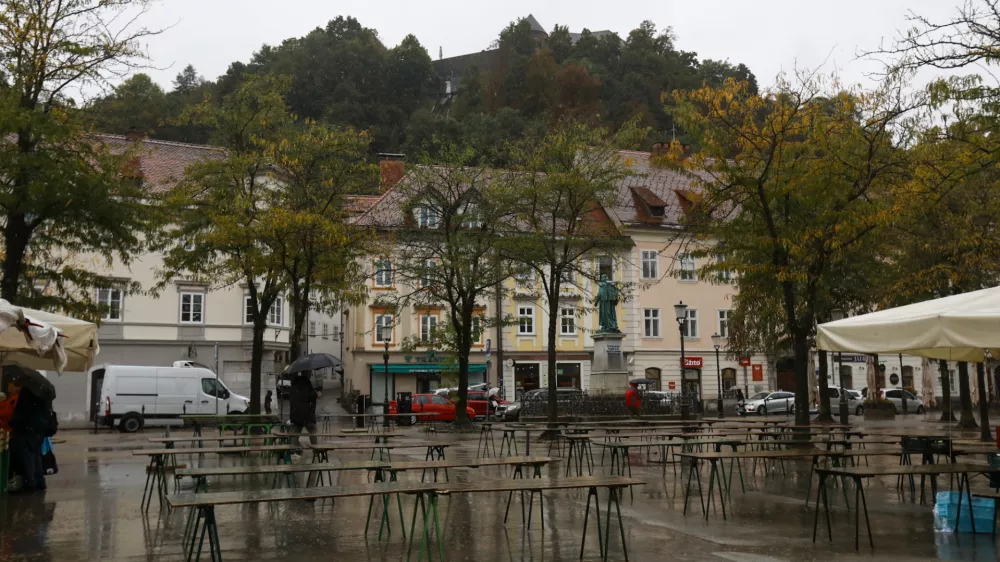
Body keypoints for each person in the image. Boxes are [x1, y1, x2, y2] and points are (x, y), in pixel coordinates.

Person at [9, 376, 50, 493]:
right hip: (38, 432)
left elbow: (21, 416)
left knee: (28, 459)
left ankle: (29, 485)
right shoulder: (40, 396)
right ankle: (40, 483)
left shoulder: (26, 397)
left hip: (26, 432)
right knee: (36, 457)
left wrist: (12, 423)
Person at [288, 372, 318, 446]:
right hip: (306, 414)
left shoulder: (294, 385)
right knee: (312, 430)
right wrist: (316, 394)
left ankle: (293, 451)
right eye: (310, 373)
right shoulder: (306, 383)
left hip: (295, 413)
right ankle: (316, 449)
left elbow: (292, 400)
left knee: (295, 432)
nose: (311, 374)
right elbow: (310, 396)